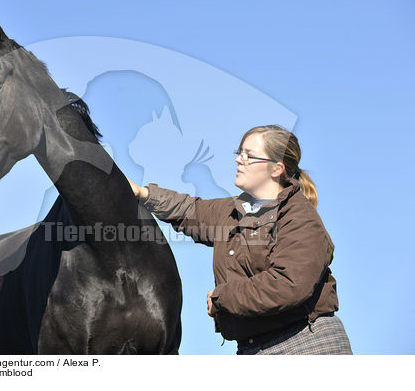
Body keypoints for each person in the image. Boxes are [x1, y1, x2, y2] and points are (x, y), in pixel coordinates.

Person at [127, 125, 352, 354]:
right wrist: (142, 193)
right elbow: (187, 210)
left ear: (276, 169)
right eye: (239, 153)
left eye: (249, 155)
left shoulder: (299, 217)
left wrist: (221, 297)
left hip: (307, 346)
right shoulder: (231, 211)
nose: (239, 160)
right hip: (253, 348)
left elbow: (287, 285)